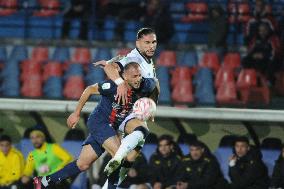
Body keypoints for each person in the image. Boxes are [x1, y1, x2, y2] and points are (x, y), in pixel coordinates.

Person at [33, 62, 156, 189]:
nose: (138, 79)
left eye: (139, 75)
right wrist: (76, 113)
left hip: (113, 126)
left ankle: (44, 181)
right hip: (99, 122)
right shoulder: (112, 86)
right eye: (134, 76)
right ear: (124, 76)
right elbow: (89, 89)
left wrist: (151, 105)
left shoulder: (145, 84)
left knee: (83, 164)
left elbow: (155, 84)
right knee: (119, 155)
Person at [94, 27, 159, 104]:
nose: (151, 46)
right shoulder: (135, 59)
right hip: (127, 104)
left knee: (155, 82)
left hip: (139, 103)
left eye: (153, 42)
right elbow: (109, 68)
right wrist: (120, 83)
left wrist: (109, 61)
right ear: (138, 43)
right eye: (147, 42)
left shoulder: (146, 57)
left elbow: (123, 57)